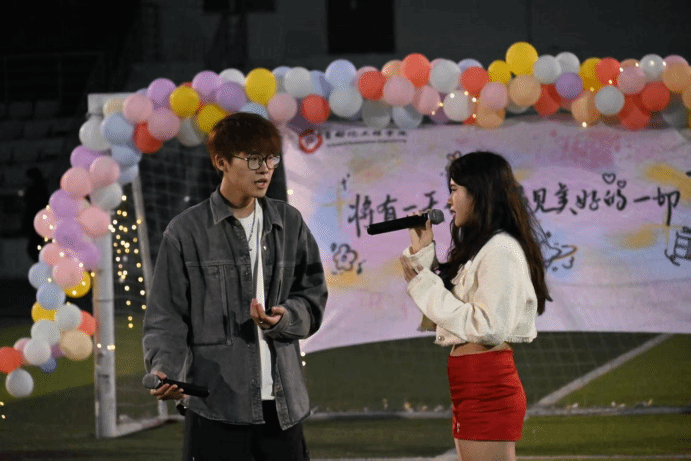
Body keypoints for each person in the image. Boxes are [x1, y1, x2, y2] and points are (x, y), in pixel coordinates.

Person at [143, 112, 328, 460]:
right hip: (215, 406)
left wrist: (285, 318)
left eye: (271, 158)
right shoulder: (185, 232)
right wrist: (165, 368)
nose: (265, 169)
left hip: (282, 408)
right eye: (254, 159)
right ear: (221, 162)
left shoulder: (289, 222)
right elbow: (166, 316)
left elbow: (312, 297)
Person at [399, 151, 550, 461]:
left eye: (455, 189)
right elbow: (448, 308)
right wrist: (423, 253)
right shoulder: (483, 246)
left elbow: (488, 327)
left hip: (487, 385)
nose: (449, 201)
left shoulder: (502, 249)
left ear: (479, 192)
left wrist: (422, 283)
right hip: (470, 381)